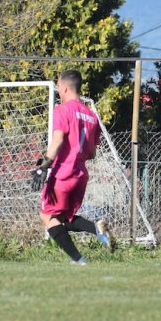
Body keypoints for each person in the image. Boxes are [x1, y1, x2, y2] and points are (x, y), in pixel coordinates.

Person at [31, 70, 114, 265]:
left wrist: (44, 166)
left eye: (59, 86)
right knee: (64, 218)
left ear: (65, 87)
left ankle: (79, 259)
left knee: (47, 216)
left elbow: (58, 139)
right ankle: (97, 229)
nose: (58, 90)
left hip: (63, 174)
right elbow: (92, 153)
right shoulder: (91, 116)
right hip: (80, 175)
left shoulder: (62, 109)